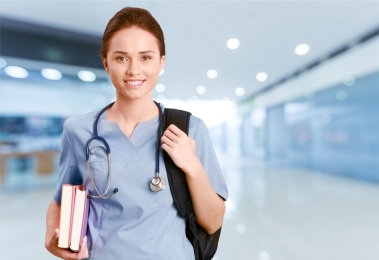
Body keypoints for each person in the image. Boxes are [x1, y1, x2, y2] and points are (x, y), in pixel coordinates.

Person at [45, 6, 228, 260]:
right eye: (121, 58)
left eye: (146, 57)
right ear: (106, 63)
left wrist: (193, 167)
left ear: (161, 62)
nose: (133, 70)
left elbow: (213, 222)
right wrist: (51, 238)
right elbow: (61, 198)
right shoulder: (78, 131)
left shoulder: (189, 129)